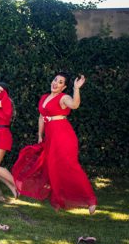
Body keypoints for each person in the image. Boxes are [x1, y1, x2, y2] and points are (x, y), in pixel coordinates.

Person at [13, 73, 97, 214]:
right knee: (53, 167)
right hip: (50, 137)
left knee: (71, 166)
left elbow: (75, 105)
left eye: (60, 82)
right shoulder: (44, 97)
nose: (55, 83)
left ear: (63, 87)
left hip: (64, 136)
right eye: (55, 80)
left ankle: (90, 200)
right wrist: (40, 135)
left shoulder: (64, 97)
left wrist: (76, 88)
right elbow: (41, 117)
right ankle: (59, 199)